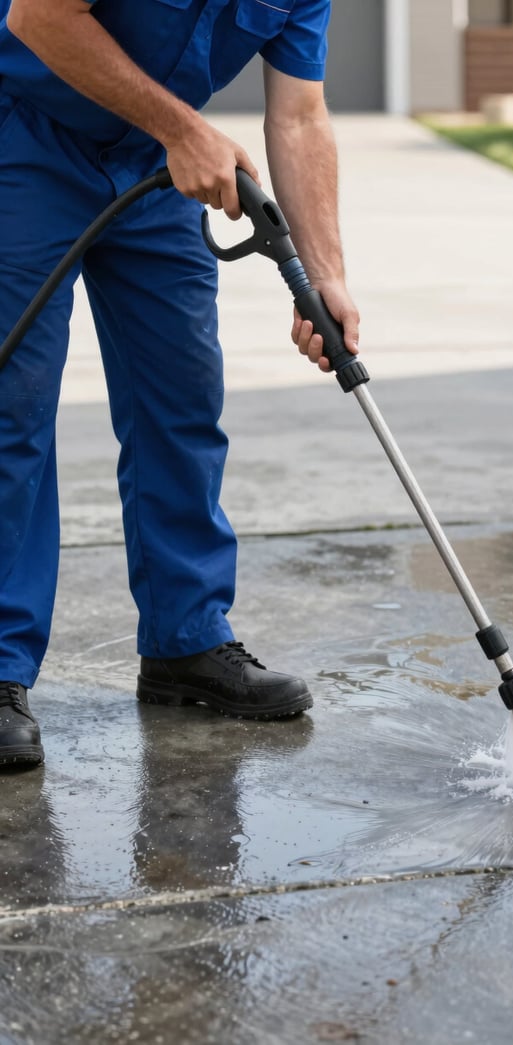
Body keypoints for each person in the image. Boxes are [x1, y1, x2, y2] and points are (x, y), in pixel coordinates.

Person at [0, 0, 360, 770]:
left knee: (183, 399)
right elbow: (37, 17)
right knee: (12, 411)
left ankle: (186, 642)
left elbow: (298, 116)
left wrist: (323, 277)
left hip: (154, 162)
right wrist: (183, 129)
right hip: (23, 128)